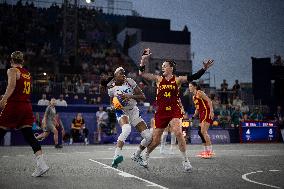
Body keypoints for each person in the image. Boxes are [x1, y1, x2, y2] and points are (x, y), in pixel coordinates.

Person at [139, 48, 214, 171]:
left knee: (178, 132)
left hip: (174, 110)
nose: (162, 68)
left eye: (164, 66)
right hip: (162, 112)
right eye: (162, 66)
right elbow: (142, 74)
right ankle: (146, 156)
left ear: (171, 68)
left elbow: (193, 77)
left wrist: (204, 69)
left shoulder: (178, 79)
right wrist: (143, 59)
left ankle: (185, 161)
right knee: (156, 140)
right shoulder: (158, 79)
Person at [0, 51, 49, 177]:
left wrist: (4, 99)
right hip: (26, 107)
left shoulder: (12, 70)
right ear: (22, 61)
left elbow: (11, 86)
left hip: (15, 105)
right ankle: (42, 164)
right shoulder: (27, 73)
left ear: (11, 60)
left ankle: (42, 165)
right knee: (29, 136)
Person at [104, 67, 153, 168]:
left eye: (124, 73)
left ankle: (137, 155)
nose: (123, 75)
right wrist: (113, 106)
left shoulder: (130, 82)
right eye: (120, 73)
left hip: (133, 111)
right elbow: (111, 102)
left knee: (148, 137)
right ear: (115, 76)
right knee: (126, 129)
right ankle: (116, 156)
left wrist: (130, 96)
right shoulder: (111, 87)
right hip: (121, 110)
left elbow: (142, 96)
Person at [189, 82, 215, 158]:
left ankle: (210, 152)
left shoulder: (199, 92)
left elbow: (209, 101)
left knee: (203, 131)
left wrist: (211, 111)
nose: (189, 87)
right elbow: (197, 109)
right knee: (200, 133)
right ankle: (205, 151)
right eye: (189, 86)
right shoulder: (194, 97)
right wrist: (193, 117)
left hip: (206, 112)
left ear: (195, 86)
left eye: (190, 86)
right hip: (201, 114)